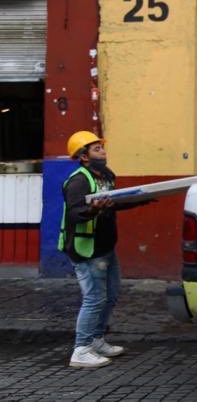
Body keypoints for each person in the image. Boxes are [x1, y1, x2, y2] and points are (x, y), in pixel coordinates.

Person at [60, 130, 147, 369]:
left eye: (102, 147)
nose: (103, 152)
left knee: (110, 296)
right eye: (97, 149)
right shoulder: (79, 180)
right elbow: (76, 213)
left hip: (106, 247)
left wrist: (144, 198)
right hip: (87, 250)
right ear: (84, 156)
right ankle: (81, 349)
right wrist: (94, 210)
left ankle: (97, 340)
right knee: (94, 299)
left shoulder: (106, 177)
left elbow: (113, 205)